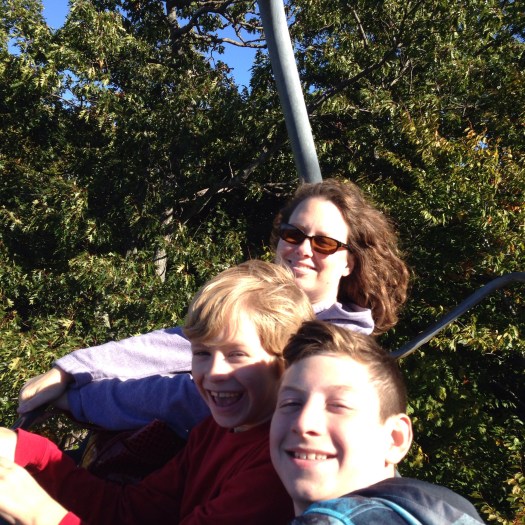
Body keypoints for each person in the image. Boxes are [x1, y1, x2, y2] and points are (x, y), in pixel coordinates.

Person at [17, 178, 409, 436]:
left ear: (349, 262)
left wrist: (77, 400)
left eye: (324, 243)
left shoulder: (335, 346)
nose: (303, 249)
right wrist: (70, 369)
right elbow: (174, 344)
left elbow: (190, 399)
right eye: (293, 234)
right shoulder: (256, 301)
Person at [0, 260, 314, 525]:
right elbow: (131, 511)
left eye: (237, 355)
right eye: (202, 353)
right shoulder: (213, 431)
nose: (213, 372)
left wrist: (40, 514)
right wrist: (32, 453)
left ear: (287, 364)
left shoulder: (278, 468)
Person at [270, 320, 485, 524]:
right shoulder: (445, 510)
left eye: (338, 405)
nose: (303, 423)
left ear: (395, 439)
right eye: (290, 403)